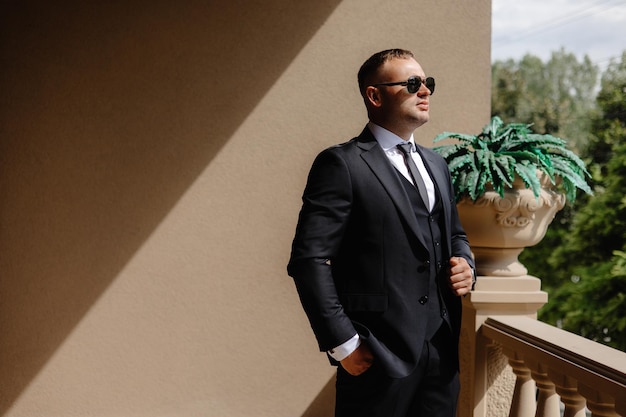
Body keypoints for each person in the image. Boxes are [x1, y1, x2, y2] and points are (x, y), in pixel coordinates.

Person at [287, 48, 475, 417]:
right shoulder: (342, 164)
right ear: (375, 96)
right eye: (412, 83)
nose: (425, 91)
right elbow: (309, 260)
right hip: (376, 357)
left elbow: (455, 234)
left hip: (440, 357)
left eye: (428, 83)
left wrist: (467, 263)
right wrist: (344, 343)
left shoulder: (437, 164)